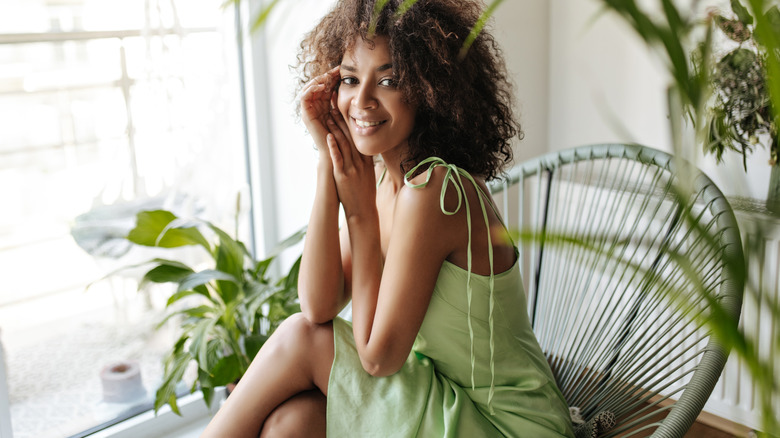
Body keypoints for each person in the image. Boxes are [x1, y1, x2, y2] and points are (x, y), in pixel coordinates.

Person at [202, 0, 574, 436]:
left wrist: (358, 215)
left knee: (299, 340)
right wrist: (329, 156)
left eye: (389, 79)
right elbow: (318, 305)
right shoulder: (383, 181)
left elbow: (378, 359)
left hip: (507, 425)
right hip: (441, 394)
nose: (361, 100)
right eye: (349, 79)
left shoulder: (437, 191)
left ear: (430, 86)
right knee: (292, 423)